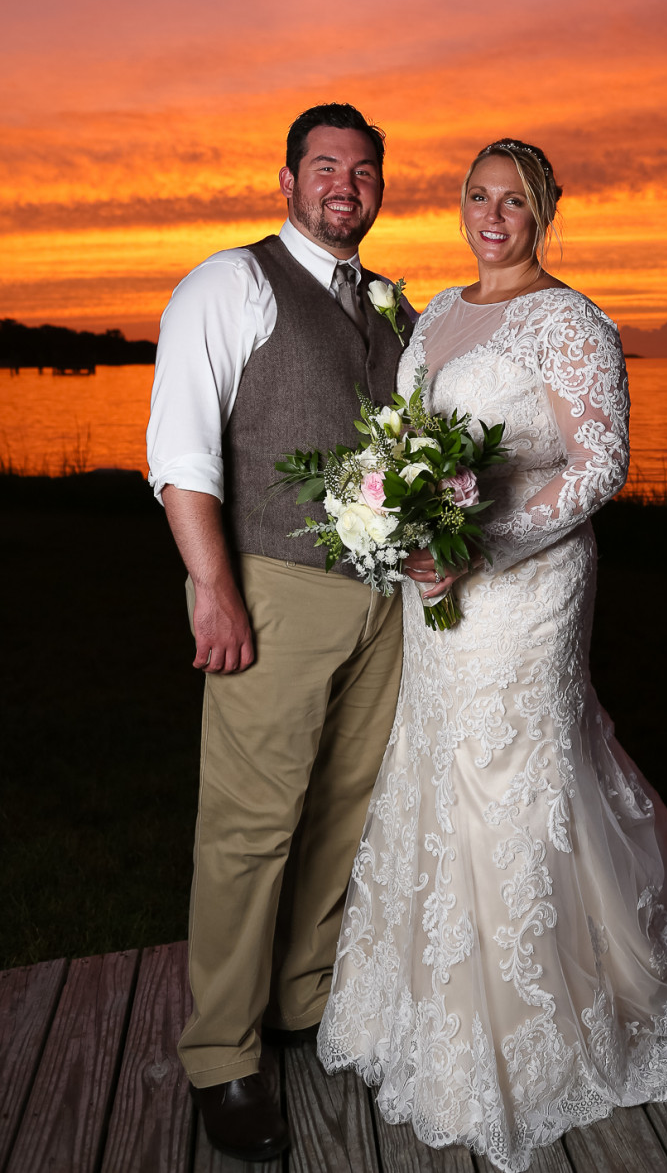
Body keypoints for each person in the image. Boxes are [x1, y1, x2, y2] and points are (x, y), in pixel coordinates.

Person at [318, 138, 667, 1173]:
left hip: (526, 586)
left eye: (513, 200)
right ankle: (427, 1010)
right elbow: (407, 439)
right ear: (458, 206)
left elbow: (599, 465)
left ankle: (546, 1020)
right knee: (437, 759)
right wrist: (398, 529)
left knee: (519, 768)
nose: (491, 215)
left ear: (542, 212)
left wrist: (482, 545)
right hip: (437, 590)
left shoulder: (569, 320)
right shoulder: (434, 318)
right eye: (477, 196)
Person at [147, 102, 412, 1162]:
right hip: (272, 586)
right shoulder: (231, 281)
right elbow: (180, 447)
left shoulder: (390, 305)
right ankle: (221, 1053)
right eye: (323, 167)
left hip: (380, 601)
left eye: (361, 170)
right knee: (250, 827)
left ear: (379, 187)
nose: (342, 184)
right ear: (288, 181)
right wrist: (211, 588)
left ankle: (303, 1000)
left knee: (346, 810)